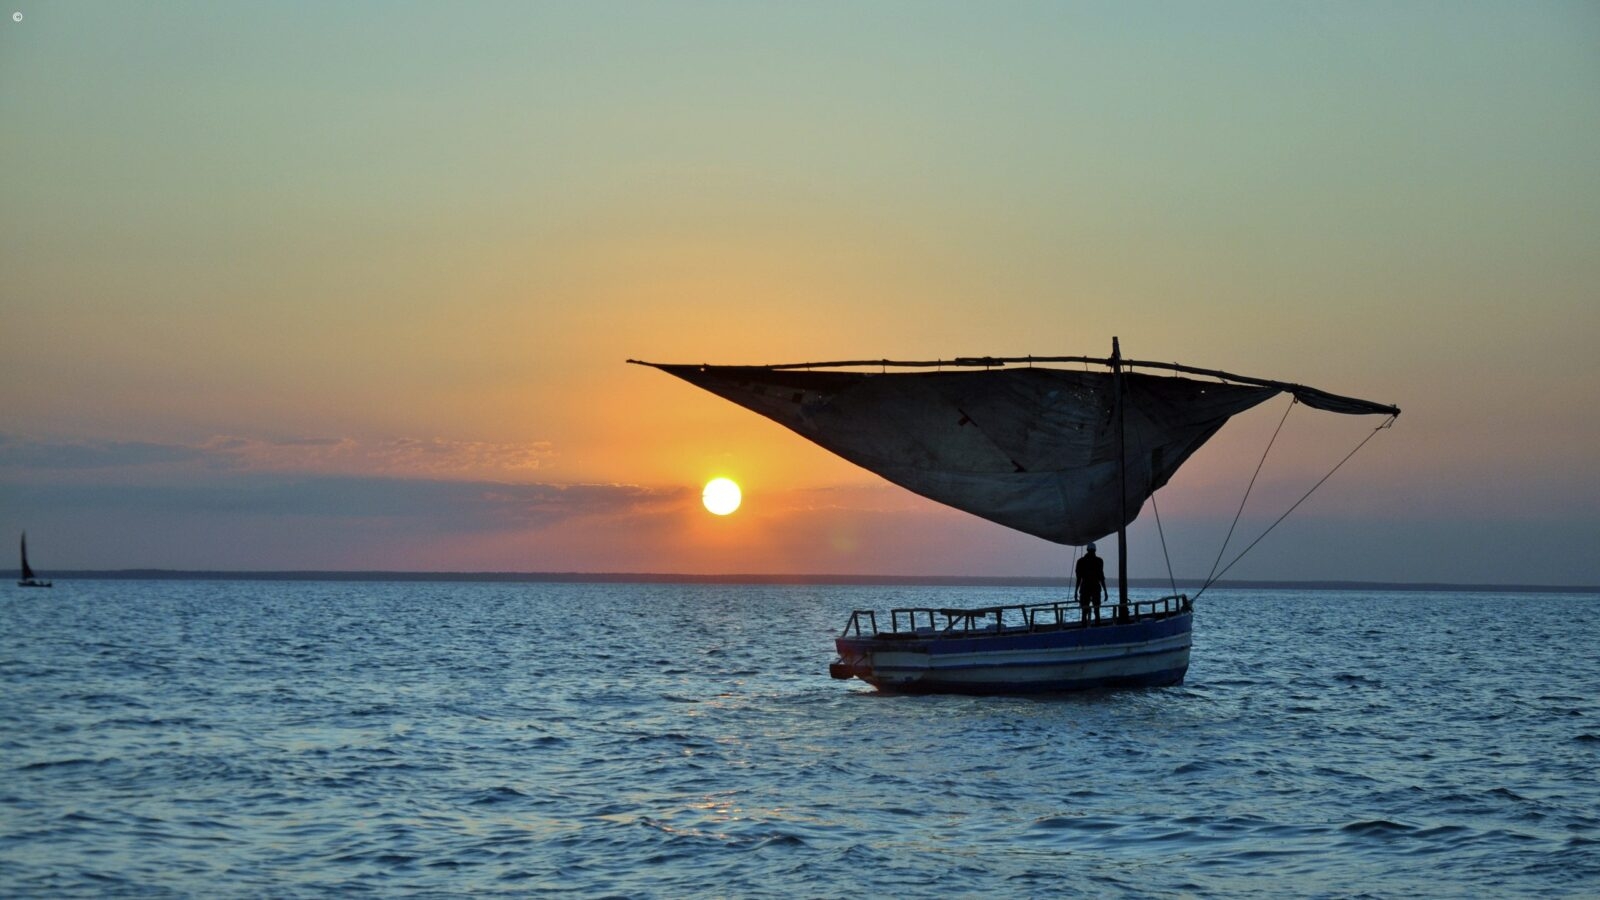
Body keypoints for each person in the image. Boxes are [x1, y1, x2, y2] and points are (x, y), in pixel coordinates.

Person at [1076, 543, 1107, 625]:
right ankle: (1095, 625)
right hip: (1093, 588)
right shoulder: (1098, 561)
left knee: (1088, 610)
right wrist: (1105, 591)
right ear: (1095, 550)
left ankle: (1086, 625)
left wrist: (1076, 592)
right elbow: (1101, 577)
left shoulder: (1081, 561)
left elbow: (1079, 578)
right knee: (1093, 610)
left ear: (1087, 550)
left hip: (1087, 588)